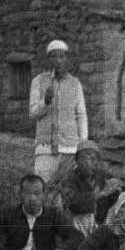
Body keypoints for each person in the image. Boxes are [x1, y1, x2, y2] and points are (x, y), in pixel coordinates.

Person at [30, 39, 88, 185]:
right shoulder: (38, 81)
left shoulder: (75, 83)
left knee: (66, 190)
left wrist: (82, 144)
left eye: (61, 57)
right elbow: (33, 113)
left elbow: (81, 115)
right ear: (49, 59)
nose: (58, 61)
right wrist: (46, 101)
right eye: (54, 57)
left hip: (70, 149)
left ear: (66, 59)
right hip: (45, 149)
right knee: (43, 186)